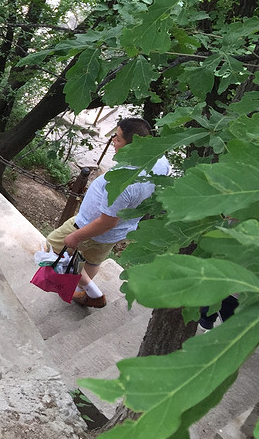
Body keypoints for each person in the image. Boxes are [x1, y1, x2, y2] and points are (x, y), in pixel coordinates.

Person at [43, 118, 171, 308]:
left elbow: (106, 222)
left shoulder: (123, 183)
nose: (113, 141)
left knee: (52, 246)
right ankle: (84, 292)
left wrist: (76, 236)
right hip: (120, 230)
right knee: (92, 261)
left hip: (88, 225)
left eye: (118, 139)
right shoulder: (160, 161)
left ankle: (93, 291)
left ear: (132, 145)